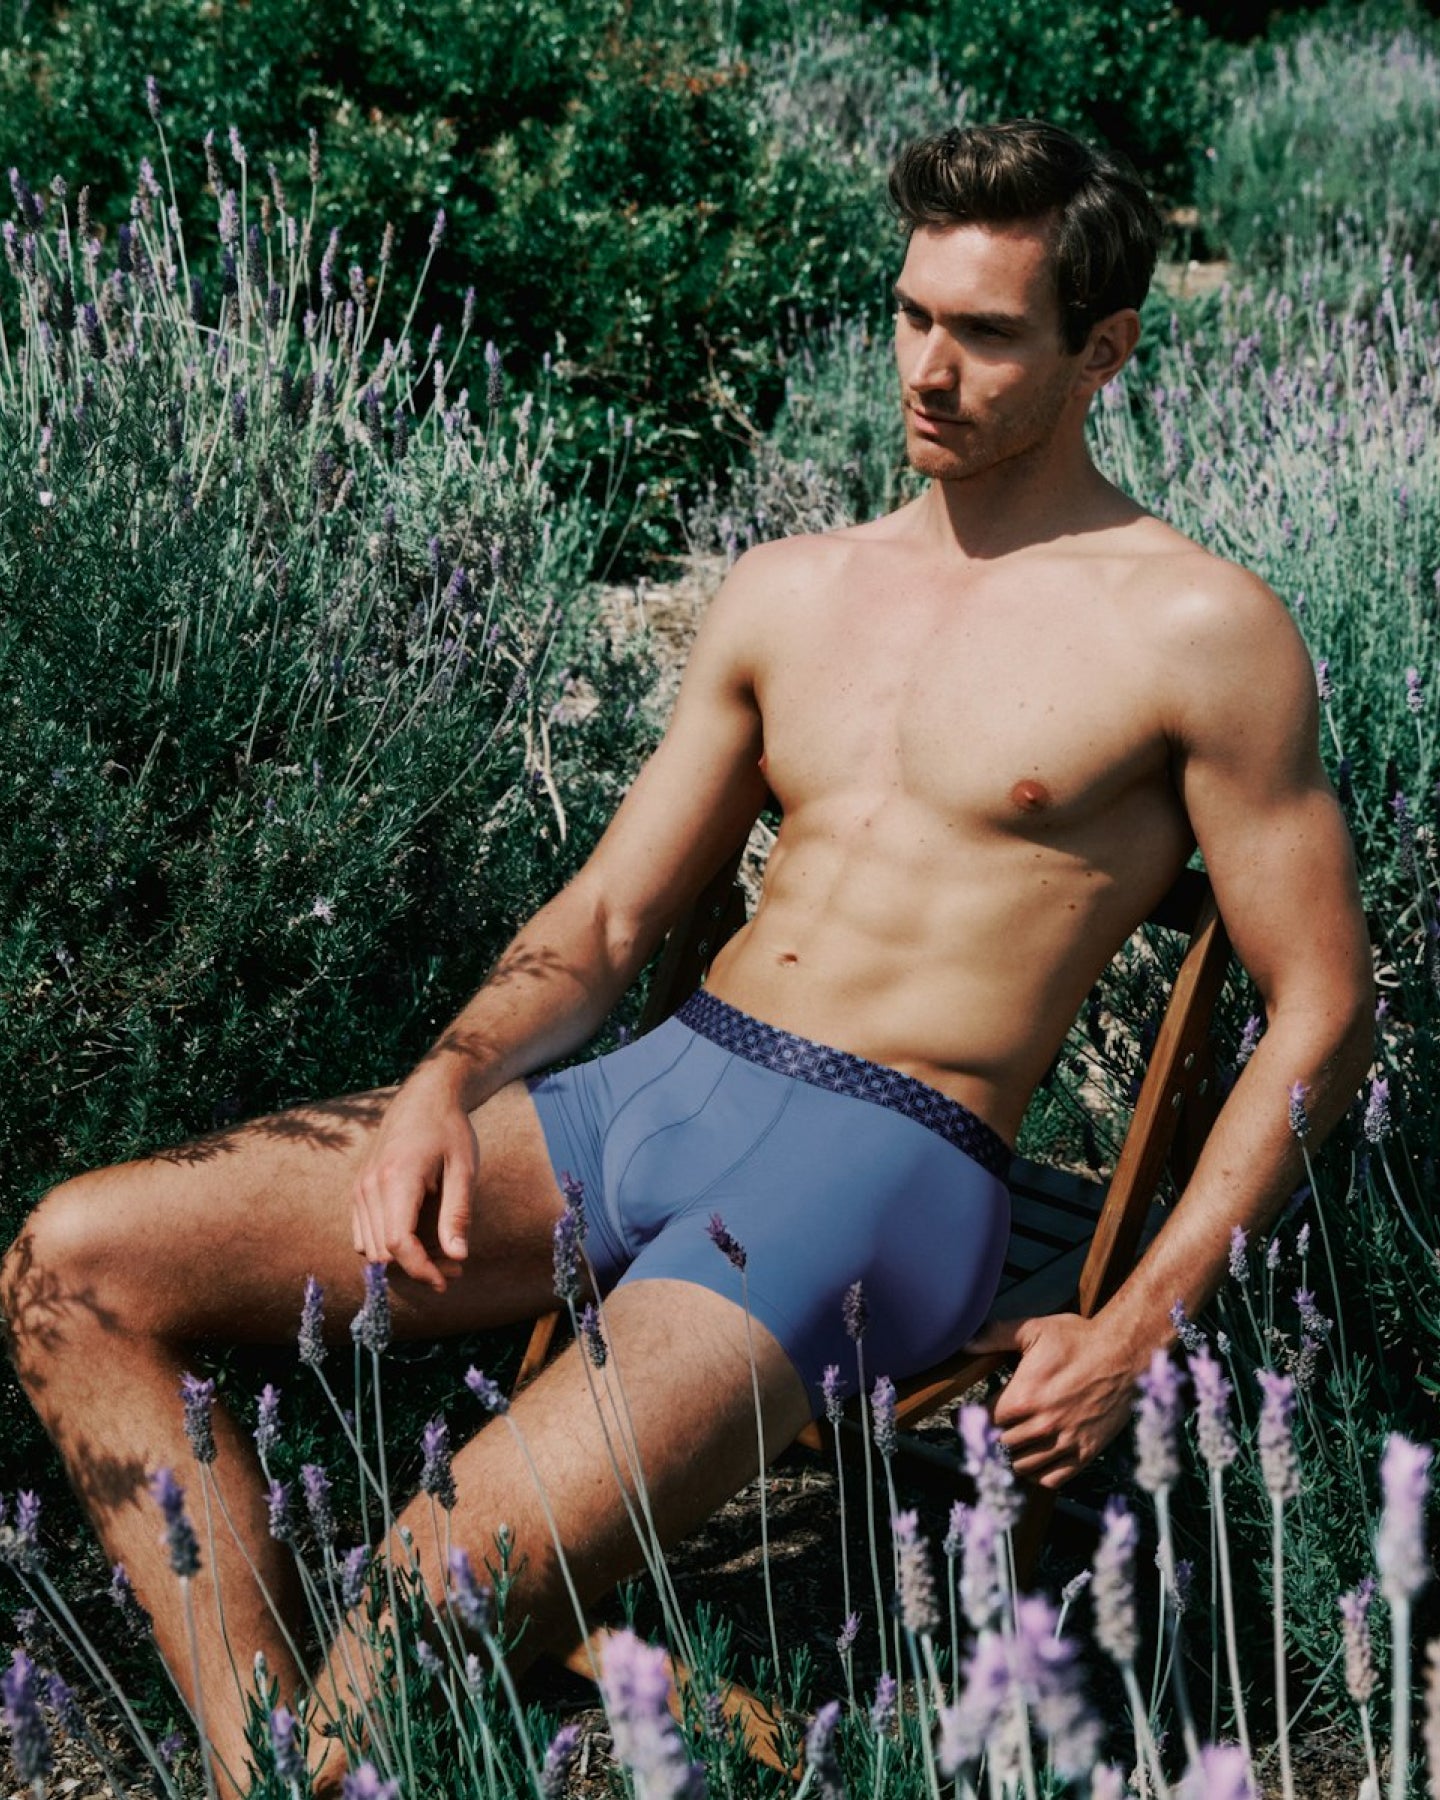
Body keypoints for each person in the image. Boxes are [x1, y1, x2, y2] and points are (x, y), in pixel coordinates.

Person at [2, 119, 1372, 1790]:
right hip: (657, 1092)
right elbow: (606, 920)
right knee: (71, 1266)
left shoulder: (1199, 628)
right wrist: (446, 1080)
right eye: (910, 315)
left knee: (430, 1603)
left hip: (885, 1163)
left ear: (1106, 351)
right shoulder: (792, 589)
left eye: (987, 333)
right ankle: (262, 1768)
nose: (928, 370)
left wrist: (1148, 1319)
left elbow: (1324, 1006)